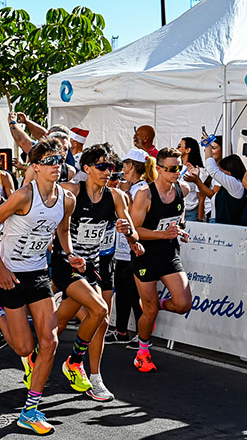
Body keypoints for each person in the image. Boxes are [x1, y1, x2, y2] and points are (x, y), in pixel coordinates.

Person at [0, 139, 83, 435]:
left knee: (49, 342)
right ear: (35, 167)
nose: (56, 166)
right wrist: (0, 268)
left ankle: (30, 410)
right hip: (11, 275)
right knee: (24, 347)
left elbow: (62, 229)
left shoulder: (67, 199)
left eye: (59, 160)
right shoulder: (23, 196)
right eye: (49, 161)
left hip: (38, 273)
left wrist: (70, 254)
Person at [51, 145, 138, 402]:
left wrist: (128, 231)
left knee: (92, 320)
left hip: (93, 264)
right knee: (100, 311)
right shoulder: (71, 191)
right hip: (67, 262)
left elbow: (133, 232)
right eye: (101, 167)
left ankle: (93, 376)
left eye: (110, 167)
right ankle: (74, 362)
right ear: (87, 168)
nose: (107, 172)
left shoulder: (116, 196)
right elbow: (43, 201)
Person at [130, 147, 193, 373]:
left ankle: (157, 305)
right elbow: (134, 231)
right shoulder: (144, 194)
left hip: (168, 254)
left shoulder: (182, 189)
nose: (177, 172)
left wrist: (180, 231)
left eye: (179, 168)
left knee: (183, 304)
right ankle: (142, 352)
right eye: (172, 169)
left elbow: (178, 219)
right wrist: (162, 234)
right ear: (159, 169)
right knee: (150, 311)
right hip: (145, 256)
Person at [112, 149, 155, 347]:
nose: (122, 168)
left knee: (135, 293)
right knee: (122, 291)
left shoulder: (141, 190)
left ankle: (142, 335)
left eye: (124, 164)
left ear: (130, 165)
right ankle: (121, 330)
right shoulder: (132, 187)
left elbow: (135, 222)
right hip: (123, 247)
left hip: (134, 248)